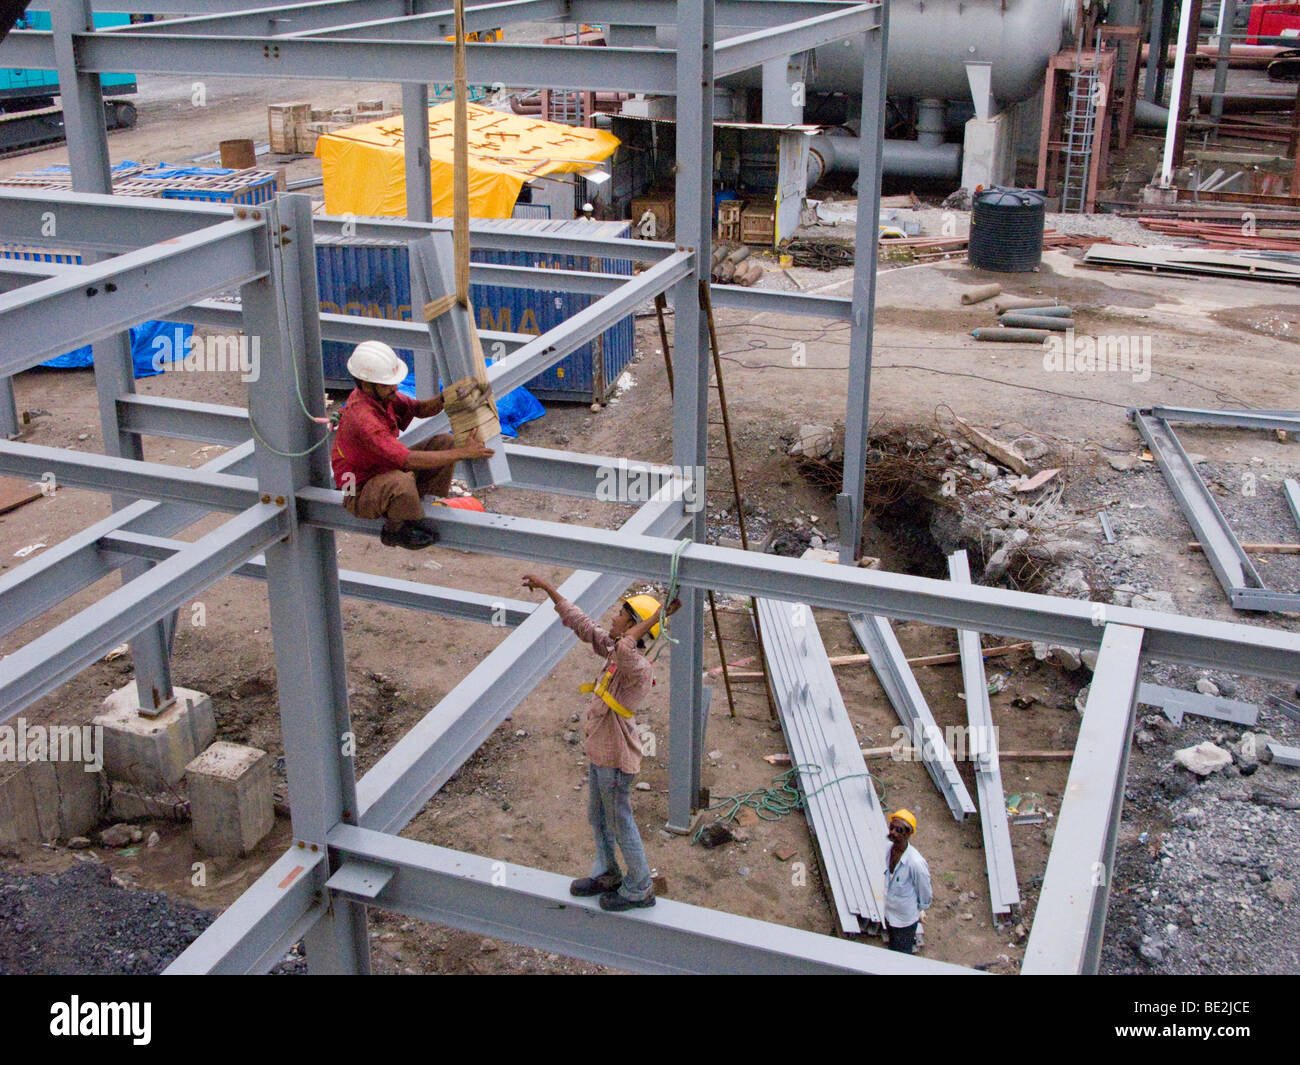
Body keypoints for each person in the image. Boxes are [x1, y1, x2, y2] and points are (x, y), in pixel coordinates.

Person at [521, 572, 678, 912]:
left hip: (615, 759)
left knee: (619, 820)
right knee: (598, 816)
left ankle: (639, 887)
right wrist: (550, 588)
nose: (613, 616)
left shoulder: (635, 664)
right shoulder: (615, 651)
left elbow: (626, 646)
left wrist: (657, 616)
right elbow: (581, 624)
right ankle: (608, 873)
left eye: (621, 614)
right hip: (601, 753)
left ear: (634, 625)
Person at [331, 341, 493, 550]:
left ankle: (414, 505)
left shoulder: (380, 396)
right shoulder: (364, 420)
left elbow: (419, 409)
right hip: (356, 488)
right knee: (401, 482)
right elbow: (409, 459)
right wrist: (463, 453)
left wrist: (447, 397)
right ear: (365, 383)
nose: (395, 388)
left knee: (445, 443)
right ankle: (395, 530)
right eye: (387, 384)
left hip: (379, 470)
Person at [883, 808, 931, 954]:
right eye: (892, 827)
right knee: (893, 947)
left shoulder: (915, 863)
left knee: (902, 953)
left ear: (909, 833)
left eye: (899, 830)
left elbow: (925, 891)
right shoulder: (889, 849)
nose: (893, 833)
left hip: (904, 920)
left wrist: (921, 909)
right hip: (889, 912)